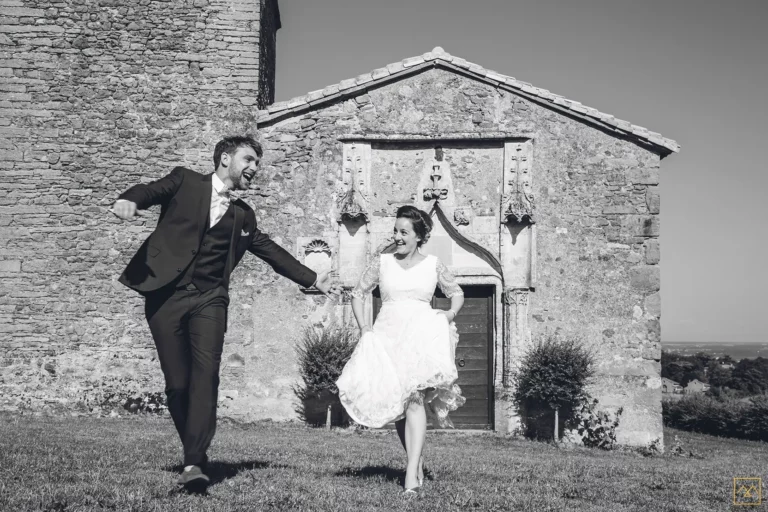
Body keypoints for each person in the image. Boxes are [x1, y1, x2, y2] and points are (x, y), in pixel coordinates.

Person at [112, 135, 337, 492]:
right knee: (178, 385)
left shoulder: (243, 215)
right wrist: (129, 200)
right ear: (225, 158)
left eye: (257, 164)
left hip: (209, 299)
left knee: (207, 376)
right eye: (249, 160)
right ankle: (194, 451)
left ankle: (193, 462)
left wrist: (311, 278)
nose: (254, 169)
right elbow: (149, 190)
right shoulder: (185, 181)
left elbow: (269, 250)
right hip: (164, 297)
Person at [336, 205, 466, 494]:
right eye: (395, 231)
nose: (397, 236)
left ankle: (410, 476)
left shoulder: (433, 264)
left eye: (404, 232)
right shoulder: (382, 263)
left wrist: (448, 315)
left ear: (419, 236)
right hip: (388, 337)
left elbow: (456, 292)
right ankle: (416, 463)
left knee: (415, 400)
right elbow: (358, 294)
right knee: (399, 407)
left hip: (420, 337)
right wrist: (363, 327)